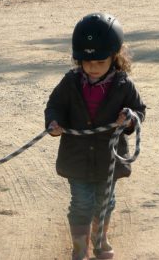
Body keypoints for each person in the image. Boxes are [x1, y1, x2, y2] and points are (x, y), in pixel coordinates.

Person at [44, 13, 146, 260]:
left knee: (105, 203)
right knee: (81, 203)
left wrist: (130, 118)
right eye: (86, 61)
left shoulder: (124, 84)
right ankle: (80, 249)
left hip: (108, 159)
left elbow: (139, 111)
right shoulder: (70, 82)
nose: (92, 67)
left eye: (100, 62)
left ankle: (100, 241)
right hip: (76, 157)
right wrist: (53, 123)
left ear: (115, 56)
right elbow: (54, 105)